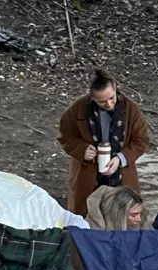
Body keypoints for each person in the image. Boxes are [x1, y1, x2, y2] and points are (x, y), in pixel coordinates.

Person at [57, 69, 150, 217]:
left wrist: (121, 158)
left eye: (111, 98)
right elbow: (65, 136)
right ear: (92, 98)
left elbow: (141, 140)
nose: (109, 104)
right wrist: (81, 149)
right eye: (101, 102)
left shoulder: (131, 109)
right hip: (88, 174)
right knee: (87, 215)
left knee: (123, 215)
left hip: (121, 175)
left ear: (117, 87)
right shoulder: (77, 109)